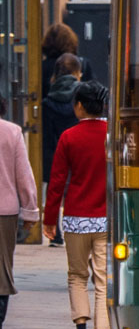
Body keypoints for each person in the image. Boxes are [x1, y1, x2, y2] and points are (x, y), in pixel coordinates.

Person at [42, 80, 115, 329]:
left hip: (75, 219)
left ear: (80, 106)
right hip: (106, 220)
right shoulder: (112, 136)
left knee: (76, 276)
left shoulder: (69, 137)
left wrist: (50, 220)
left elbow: (58, 182)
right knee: (103, 278)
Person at [0, 105, 37, 329]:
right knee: (2, 271)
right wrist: (30, 210)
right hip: (4, 212)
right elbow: (23, 175)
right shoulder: (12, 132)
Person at [40, 52, 81, 246]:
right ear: (76, 72)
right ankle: (77, 228)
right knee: (77, 187)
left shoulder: (48, 101)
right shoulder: (81, 95)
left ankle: (54, 234)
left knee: (54, 190)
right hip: (78, 149)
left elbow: (47, 136)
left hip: (56, 149)